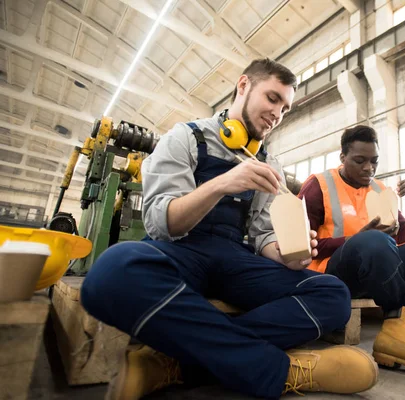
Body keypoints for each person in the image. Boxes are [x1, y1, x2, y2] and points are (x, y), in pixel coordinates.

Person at [80, 59, 378, 400]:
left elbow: (263, 234)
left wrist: (286, 255)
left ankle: (176, 363)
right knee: (111, 271)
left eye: (284, 107)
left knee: (333, 294)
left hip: (235, 257)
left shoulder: (270, 163)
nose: (277, 113)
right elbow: (162, 223)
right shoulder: (185, 137)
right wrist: (221, 184)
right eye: (271, 98)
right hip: (181, 249)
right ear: (243, 86)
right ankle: (279, 369)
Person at [299, 125, 405, 378]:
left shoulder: (381, 190)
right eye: (360, 161)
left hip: (381, 269)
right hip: (335, 275)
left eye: (374, 161)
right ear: (342, 157)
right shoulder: (318, 186)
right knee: (372, 241)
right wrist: (355, 239)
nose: (368, 168)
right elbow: (302, 246)